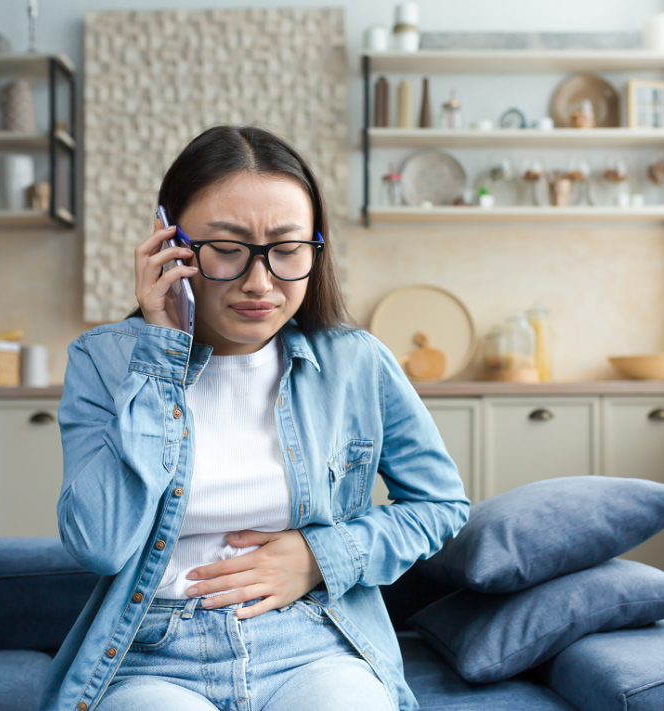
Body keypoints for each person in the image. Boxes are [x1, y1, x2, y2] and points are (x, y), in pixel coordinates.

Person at [40, 125, 469, 711]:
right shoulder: (106, 360)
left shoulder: (357, 362)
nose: (260, 282)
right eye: (227, 248)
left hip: (313, 642)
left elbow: (440, 505)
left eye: (287, 250)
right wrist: (162, 359)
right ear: (171, 241)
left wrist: (322, 557)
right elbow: (101, 545)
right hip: (151, 655)